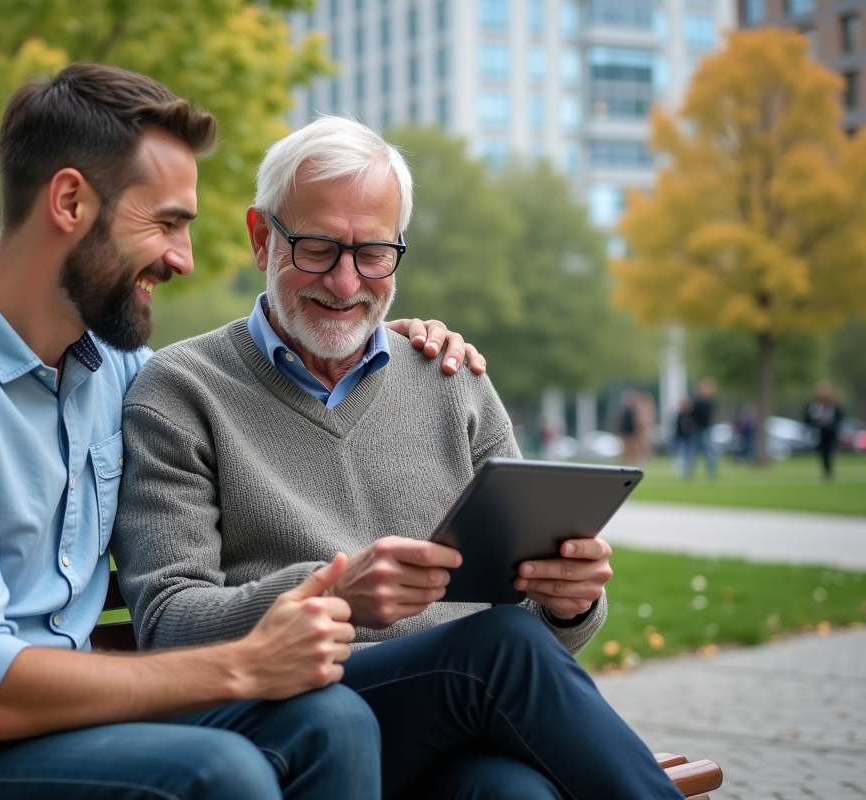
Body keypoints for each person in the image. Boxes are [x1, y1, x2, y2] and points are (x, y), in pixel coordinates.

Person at [0, 65, 485, 800]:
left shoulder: (112, 370)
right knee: (220, 774)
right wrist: (241, 666)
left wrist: (375, 334)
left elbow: (255, 375)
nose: (183, 258)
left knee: (329, 722)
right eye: (166, 223)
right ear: (71, 201)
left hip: (59, 738)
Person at [112, 117, 684, 800]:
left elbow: (545, 646)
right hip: (297, 720)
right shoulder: (180, 391)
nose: (348, 282)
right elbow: (169, 626)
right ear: (262, 237)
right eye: (319, 248)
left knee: (515, 794)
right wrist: (335, 596)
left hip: (447, 725)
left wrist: (569, 604)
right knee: (496, 649)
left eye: (374, 253)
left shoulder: (453, 378)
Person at [807, 380, 843, 481]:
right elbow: (809, 419)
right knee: (822, 452)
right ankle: (825, 470)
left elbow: (839, 419)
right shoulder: (814, 406)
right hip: (819, 432)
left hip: (831, 432)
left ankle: (828, 470)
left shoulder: (834, 406)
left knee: (829, 451)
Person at [686, 377, 718, 479]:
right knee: (693, 452)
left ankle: (712, 472)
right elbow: (692, 415)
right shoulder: (697, 402)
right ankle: (690, 472)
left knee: (708, 452)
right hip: (697, 430)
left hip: (704, 430)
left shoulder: (708, 403)